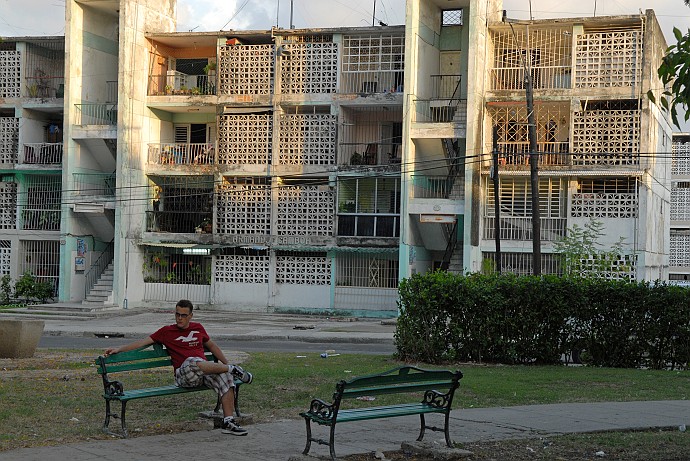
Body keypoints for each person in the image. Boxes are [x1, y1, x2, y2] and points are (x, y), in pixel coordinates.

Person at [104, 299, 252, 435]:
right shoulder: (166, 331)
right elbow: (141, 343)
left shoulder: (198, 328)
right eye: (177, 314)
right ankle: (233, 369)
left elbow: (212, 345)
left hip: (203, 374)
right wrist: (119, 349)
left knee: (225, 378)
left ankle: (228, 422)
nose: (179, 318)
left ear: (191, 316)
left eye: (183, 315)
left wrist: (225, 363)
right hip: (184, 375)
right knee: (192, 361)